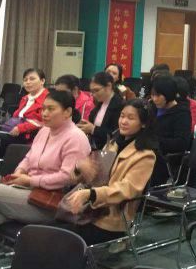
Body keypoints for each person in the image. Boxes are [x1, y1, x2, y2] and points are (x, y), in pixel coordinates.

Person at [0, 90, 90, 269]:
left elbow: (67, 178)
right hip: (30, 193)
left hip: (52, 203)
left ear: (67, 112)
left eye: (51, 109)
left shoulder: (76, 138)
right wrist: (20, 171)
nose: (44, 113)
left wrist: (30, 180)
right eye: (43, 108)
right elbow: (29, 158)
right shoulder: (45, 131)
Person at [65, 99, 157, 245]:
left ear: (144, 123)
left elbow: (127, 189)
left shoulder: (145, 155)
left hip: (111, 217)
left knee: (66, 239)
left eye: (131, 118)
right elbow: (95, 177)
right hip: (90, 209)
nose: (123, 121)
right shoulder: (113, 144)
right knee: (56, 228)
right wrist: (80, 168)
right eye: (122, 116)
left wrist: (92, 194)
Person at [149, 75, 192, 185]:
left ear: (168, 94)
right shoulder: (152, 108)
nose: (154, 99)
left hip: (167, 158)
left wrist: (156, 142)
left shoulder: (182, 113)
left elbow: (181, 143)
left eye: (158, 95)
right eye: (152, 95)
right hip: (150, 151)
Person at [0, 68, 49, 155]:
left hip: (30, 136)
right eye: (25, 80)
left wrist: (20, 128)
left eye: (32, 79)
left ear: (42, 81)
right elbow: (17, 116)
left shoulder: (48, 99)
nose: (28, 82)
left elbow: (44, 122)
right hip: (16, 132)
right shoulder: (26, 98)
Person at [77, 72, 125, 150]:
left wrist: (93, 129)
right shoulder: (99, 103)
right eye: (92, 91)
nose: (93, 94)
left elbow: (117, 133)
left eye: (96, 90)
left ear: (109, 86)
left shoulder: (120, 105)